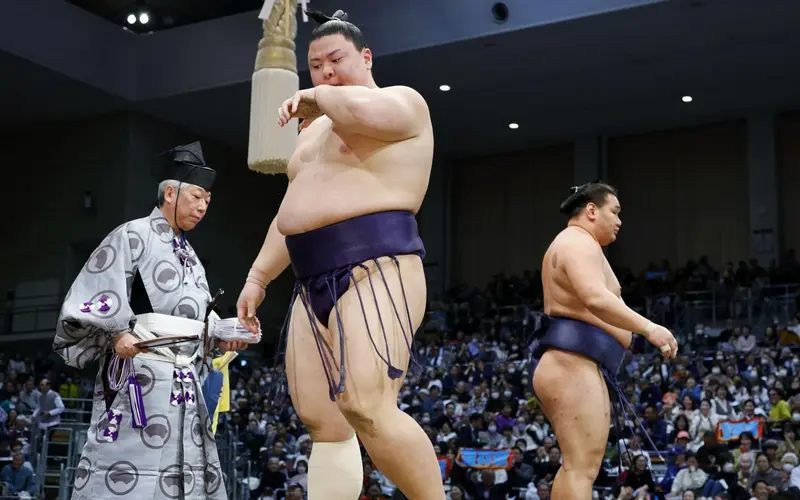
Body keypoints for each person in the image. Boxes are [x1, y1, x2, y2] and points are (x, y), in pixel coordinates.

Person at [237, 8, 442, 500]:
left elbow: (360, 114)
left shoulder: (403, 102)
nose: (325, 72)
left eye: (336, 60)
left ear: (366, 57)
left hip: (377, 265)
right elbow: (292, 210)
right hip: (310, 278)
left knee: (366, 404)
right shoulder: (310, 134)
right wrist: (258, 277)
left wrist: (319, 96)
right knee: (322, 420)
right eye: (315, 66)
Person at [53, 142, 246, 499]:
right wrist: (116, 335)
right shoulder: (132, 234)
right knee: (128, 466)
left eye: (207, 201)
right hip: (141, 374)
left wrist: (222, 335)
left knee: (182, 469)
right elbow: (95, 294)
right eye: (197, 197)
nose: (203, 207)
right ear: (170, 193)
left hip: (185, 380)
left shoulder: (191, 256)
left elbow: (196, 319)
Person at [528, 182, 678, 499]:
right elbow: (595, 297)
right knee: (580, 467)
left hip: (574, 362)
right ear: (592, 211)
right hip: (571, 362)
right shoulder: (577, 242)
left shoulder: (581, 244)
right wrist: (649, 328)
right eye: (615, 211)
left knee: (577, 466)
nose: (619, 221)